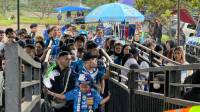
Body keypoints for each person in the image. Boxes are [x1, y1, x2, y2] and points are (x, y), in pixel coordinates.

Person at [47, 79, 111, 112]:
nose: (83, 88)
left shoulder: (93, 92)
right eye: (82, 86)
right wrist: (50, 93)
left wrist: (108, 97)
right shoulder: (75, 91)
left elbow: (100, 102)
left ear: (89, 86)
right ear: (79, 86)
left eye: (86, 86)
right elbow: (63, 97)